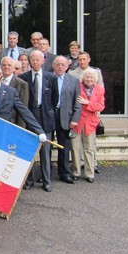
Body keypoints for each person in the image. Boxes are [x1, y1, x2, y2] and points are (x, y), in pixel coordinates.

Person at [0, 63, 46, 219]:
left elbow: (24, 111)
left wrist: (39, 130)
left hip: (3, 140)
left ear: (0, 75)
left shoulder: (10, 92)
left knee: (0, 173)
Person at [19, 50, 58, 192]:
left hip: (45, 116)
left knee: (45, 151)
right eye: (33, 60)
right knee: (29, 150)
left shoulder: (51, 78)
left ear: (43, 61)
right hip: (29, 116)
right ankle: (28, 180)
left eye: (37, 60)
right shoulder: (23, 78)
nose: (35, 62)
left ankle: (46, 180)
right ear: (29, 62)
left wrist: (49, 112)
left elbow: (55, 99)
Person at [52, 56, 82, 184]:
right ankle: (46, 173)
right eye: (57, 64)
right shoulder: (48, 78)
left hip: (66, 117)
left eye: (62, 65)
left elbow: (78, 102)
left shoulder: (74, 80)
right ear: (53, 66)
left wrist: (75, 119)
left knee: (64, 146)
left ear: (67, 66)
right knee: (47, 145)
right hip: (50, 116)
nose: (60, 67)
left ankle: (64, 173)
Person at [72, 70, 105, 183]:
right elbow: (74, 103)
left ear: (95, 79)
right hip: (77, 121)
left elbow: (100, 106)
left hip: (90, 122)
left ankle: (89, 173)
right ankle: (76, 172)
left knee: (89, 148)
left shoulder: (99, 89)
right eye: (87, 77)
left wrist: (87, 103)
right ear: (83, 78)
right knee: (75, 148)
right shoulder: (77, 87)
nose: (89, 79)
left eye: (91, 77)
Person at [0, 56, 29, 128]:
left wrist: (21, 129)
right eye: (4, 65)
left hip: (13, 124)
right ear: (0, 67)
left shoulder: (22, 84)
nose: (6, 67)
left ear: (13, 68)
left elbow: (23, 109)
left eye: (9, 65)